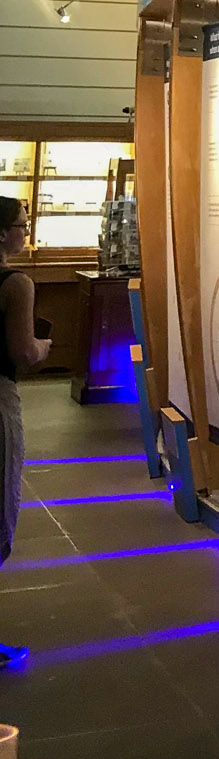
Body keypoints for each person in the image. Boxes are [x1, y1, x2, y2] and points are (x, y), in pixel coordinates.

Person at [0, 195, 51, 666]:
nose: (26, 230)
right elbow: (22, 352)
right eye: (22, 223)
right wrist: (44, 344)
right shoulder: (16, 283)